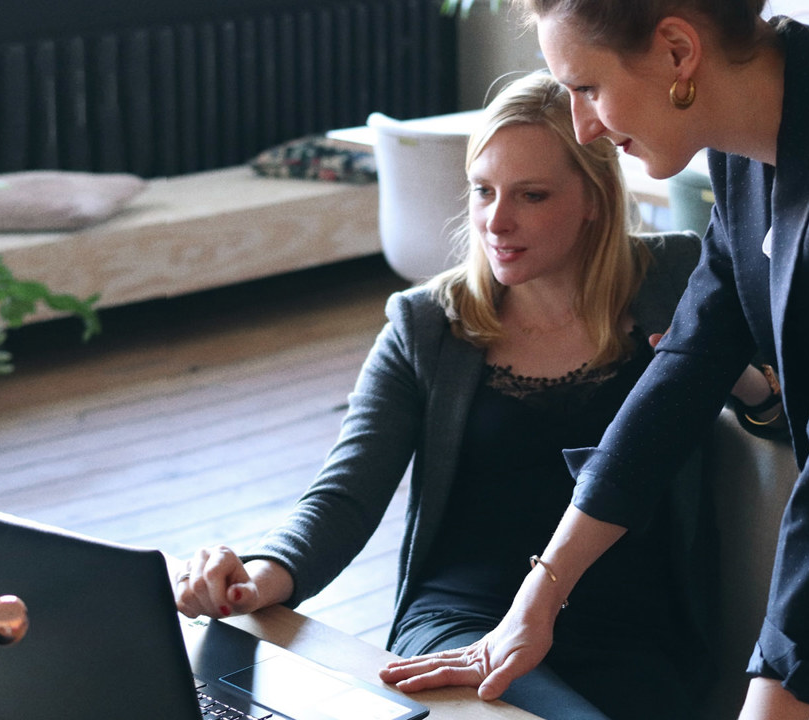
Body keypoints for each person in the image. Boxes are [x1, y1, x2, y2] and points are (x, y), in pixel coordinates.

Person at [380, 3, 809, 719]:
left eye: (587, 89)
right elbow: (686, 364)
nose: (582, 128)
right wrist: (539, 596)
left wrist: (775, 695)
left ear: (678, 51)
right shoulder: (750, 148)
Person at [174, 70, 753, 720]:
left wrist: (735, 376)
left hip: (634, 635)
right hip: (459, 625)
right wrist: (260, 575)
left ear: (594, 198)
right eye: (483, 191)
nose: (496, 221)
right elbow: (345, 495)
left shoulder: (675, 276)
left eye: (531, 195)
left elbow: (786, 418)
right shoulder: (428, 324)